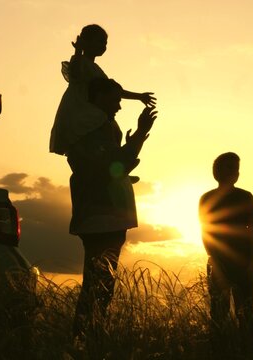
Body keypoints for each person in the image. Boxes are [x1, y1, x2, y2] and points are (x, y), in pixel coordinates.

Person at [67, 77, 157, 340]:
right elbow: (111, 166)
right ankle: (86, 340)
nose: (119, 106)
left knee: (99, 284)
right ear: (98, 98)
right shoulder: (95, 130)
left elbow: (109, 166)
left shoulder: (91, 130)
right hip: (102, 216)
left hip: (98, 215)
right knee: (100, 286)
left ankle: (85, 339)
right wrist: (139, 135)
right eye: (115, 100)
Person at [49, 24, 156, 155]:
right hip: (78, 107)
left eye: (105, 43)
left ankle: (117, 165)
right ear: (86, 42)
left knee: (116, 131)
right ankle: (113, 162)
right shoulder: (79, 61)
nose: (103, 46)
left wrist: (139, 96)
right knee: (103, 125)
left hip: (92, 107)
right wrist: (78, 51)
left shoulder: (96, 69)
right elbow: (75, 73)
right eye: (99, 41)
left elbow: (115, 91)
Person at [199, 152, 253, 353]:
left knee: (246, 311)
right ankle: (220, 350)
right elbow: (206, 233)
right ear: (217, 171)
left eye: (237, 168)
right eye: (230, 167)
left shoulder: (245, 196)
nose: (235, 172)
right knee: (218, 313)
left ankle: (249, 350)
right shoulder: (206, 198)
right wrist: (216, 263)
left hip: (243, 261)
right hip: (217, 262)